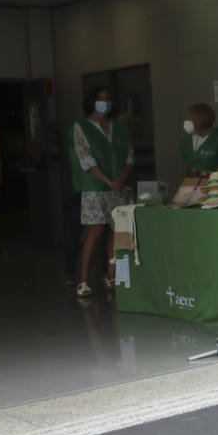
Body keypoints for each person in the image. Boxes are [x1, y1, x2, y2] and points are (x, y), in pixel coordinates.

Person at [70, 87, 135, 298]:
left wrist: (120, 180)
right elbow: (85, 159)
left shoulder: (120, 127)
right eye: (100, 99)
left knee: (117, 230)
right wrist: (109, 181)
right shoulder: (81, 126)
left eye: (108, 99)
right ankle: (83, 280)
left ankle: (115, 277)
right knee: (96, 229)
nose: (104, 103)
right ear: (91, 101)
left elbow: (129, 156)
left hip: (118, 184)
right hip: (95, 185)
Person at [178, 103, 218, 177]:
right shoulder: (185, 143)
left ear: (199, 118)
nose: (186, 122)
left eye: (189, 118)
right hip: (193, 186)